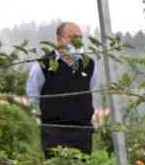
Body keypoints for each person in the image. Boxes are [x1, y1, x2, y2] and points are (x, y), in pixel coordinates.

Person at [26, 22, 101, 158]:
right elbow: (33, 96)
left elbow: (91, 88)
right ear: (59, 39)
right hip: (54, 133)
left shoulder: (89, 64)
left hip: (82, 134)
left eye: (79, 37)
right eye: (72, 37)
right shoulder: (43, 65)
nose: (77, 41)